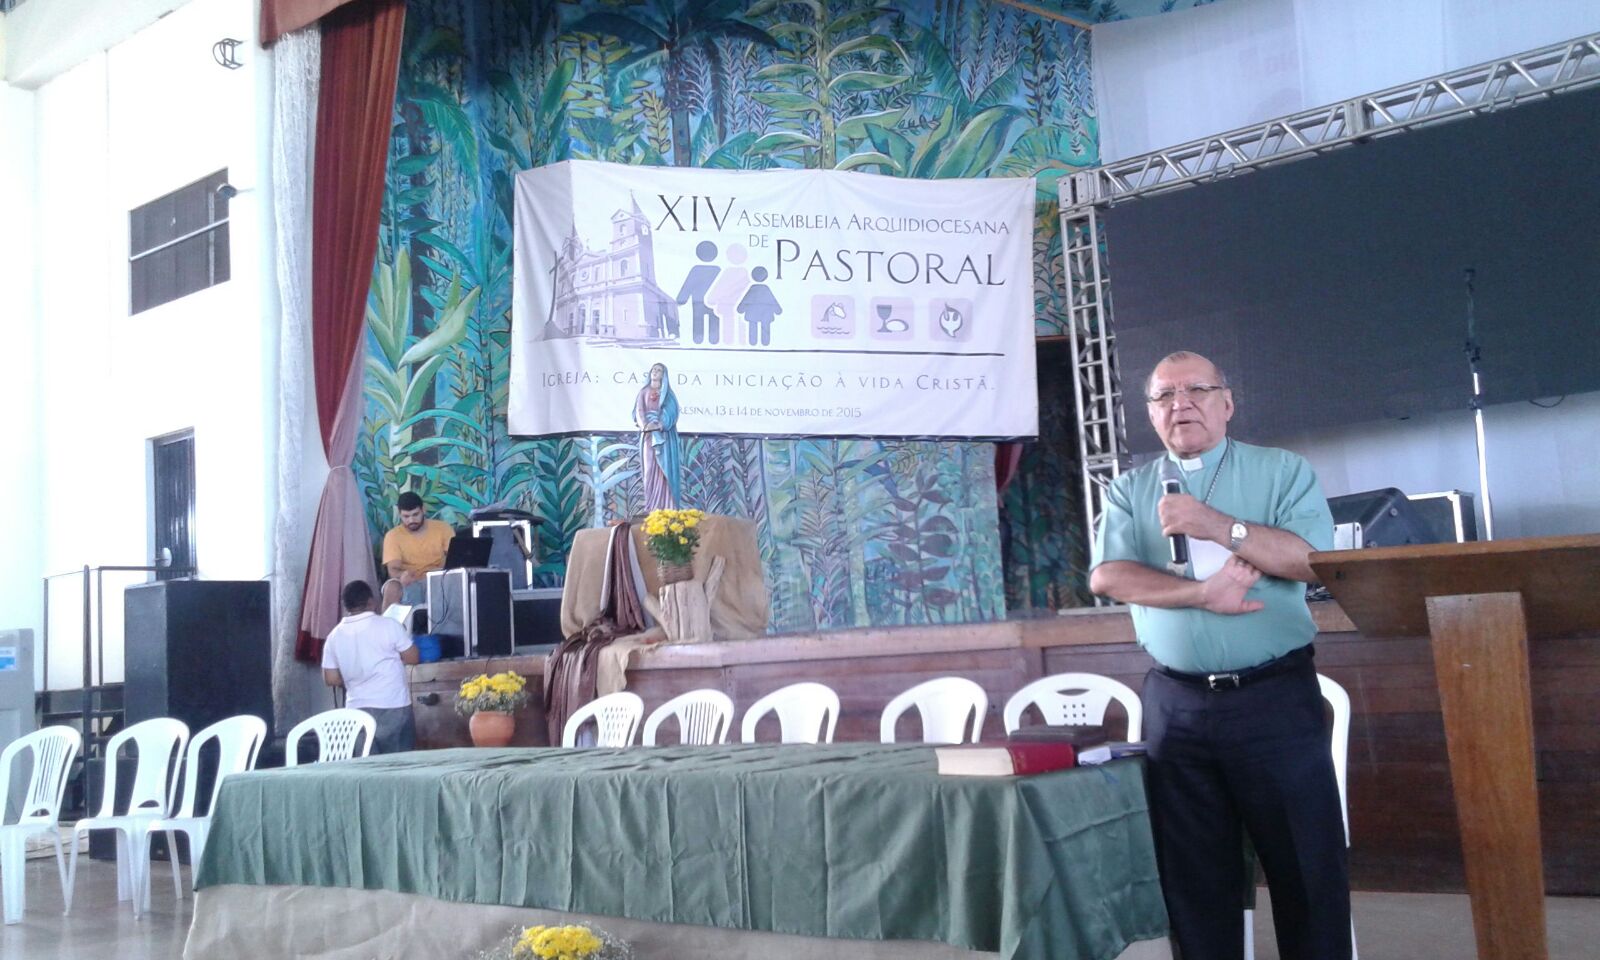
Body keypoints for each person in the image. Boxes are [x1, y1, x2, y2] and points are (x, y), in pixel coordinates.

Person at [1090, 351, 1349, 960]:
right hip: (1176, 705)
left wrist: (1216, 525)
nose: (1180, 404)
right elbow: (1109, 576)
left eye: (1196, 390)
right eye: (1164, 395)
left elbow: (1311, 560)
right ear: (1151, 414)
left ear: (1226, 403)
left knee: (1306, 871)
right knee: (1194, 881)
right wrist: (1201, 595)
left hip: (1273, 699)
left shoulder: (1281, 470)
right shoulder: (1130, 489)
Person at [321, 580, 420, 754]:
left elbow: (331, 678)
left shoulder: (334, 636)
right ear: (371, 602)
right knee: (400, 765)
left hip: (356, 710)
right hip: (393, 705)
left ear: (346, 606)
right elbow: (413, 657)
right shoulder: (389, 625)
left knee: (367, 765)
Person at [380, 491, 453, 610]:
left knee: (441, 583)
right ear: (399, 514)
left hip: (438, 578)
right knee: (391, 587)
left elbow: (454, 559)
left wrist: (439, 572)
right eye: (406, 516)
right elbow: (393, 570)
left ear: (423, 510)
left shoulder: (443, 528)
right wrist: (402, 575)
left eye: (415, 514)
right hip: (410, 581)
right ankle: (387, 622)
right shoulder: (393, 536)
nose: (411, 520)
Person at [632, 362, 683, 513]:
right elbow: (639, 411)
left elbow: (672, 413)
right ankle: (651, 506)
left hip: (664, 437)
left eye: (659, 370)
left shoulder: (668, 394)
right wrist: (645, 425)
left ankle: (667, 506)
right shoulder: (643, 392)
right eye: (653, 369)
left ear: (663, 375)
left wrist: (660, 424)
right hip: (648, 436)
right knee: (649, 469)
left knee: (664, 467)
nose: (655, 372)